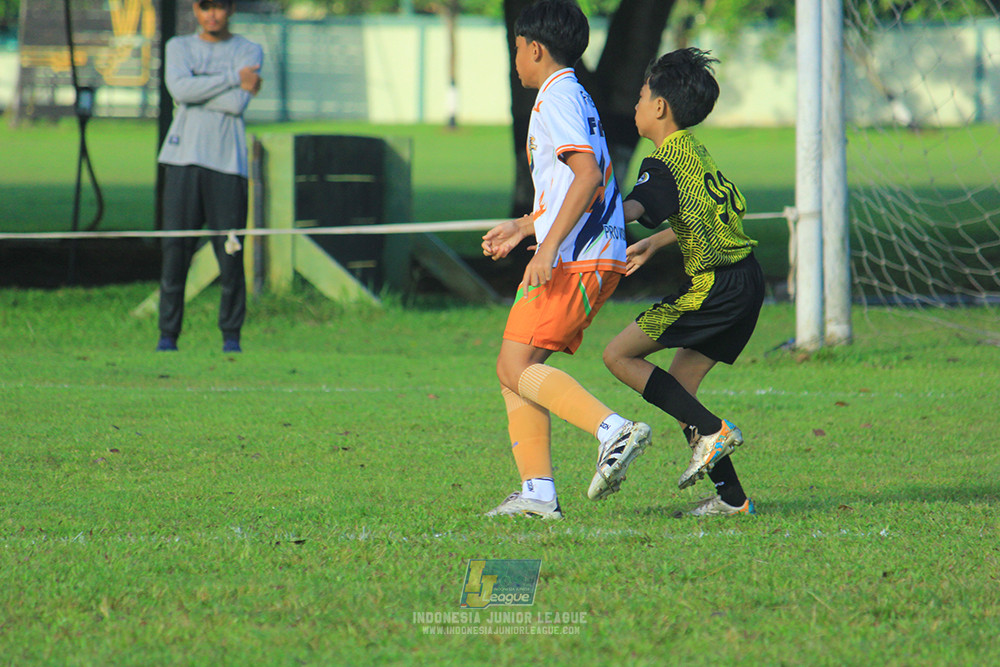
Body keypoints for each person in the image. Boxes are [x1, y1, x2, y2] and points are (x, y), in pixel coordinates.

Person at [480, 0, 651, 520]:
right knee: (516, 368)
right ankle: (537, 493)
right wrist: (525, 226)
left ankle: (612, 430)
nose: (515, 60)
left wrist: (548, 247)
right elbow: (578, 183)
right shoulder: (573, 95)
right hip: (588, 254)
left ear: (534, 48)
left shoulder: (557, 98)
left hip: (576, 258)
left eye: (516, 49)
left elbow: (587, 177)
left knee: (514, 365)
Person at [603, 48, 764, 517]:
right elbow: (711, 210)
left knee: (618, 355)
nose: (635, 105)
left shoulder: (661, 161)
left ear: (659, 106)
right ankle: (733, 500)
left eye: (640, 96)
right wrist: (657, 241)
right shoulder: (693, 150)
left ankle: (714, 432)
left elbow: (629, 209)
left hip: (716, 285)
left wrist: (565, 217)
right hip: (746, 281)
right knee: (681, 388)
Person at [155, 0, 263, 353]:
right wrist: (233, 78)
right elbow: (180, 91)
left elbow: (236, 105)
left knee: (230, 255)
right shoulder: (178, 47)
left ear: (230, 9)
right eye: (205, 7)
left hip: (227, 165)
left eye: (219, 7)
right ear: (195, 10)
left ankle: (231, 337)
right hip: (182, 161)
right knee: (175, 253)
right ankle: (168, 336)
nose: (212, 14)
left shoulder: (249, 49)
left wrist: (196, 91)